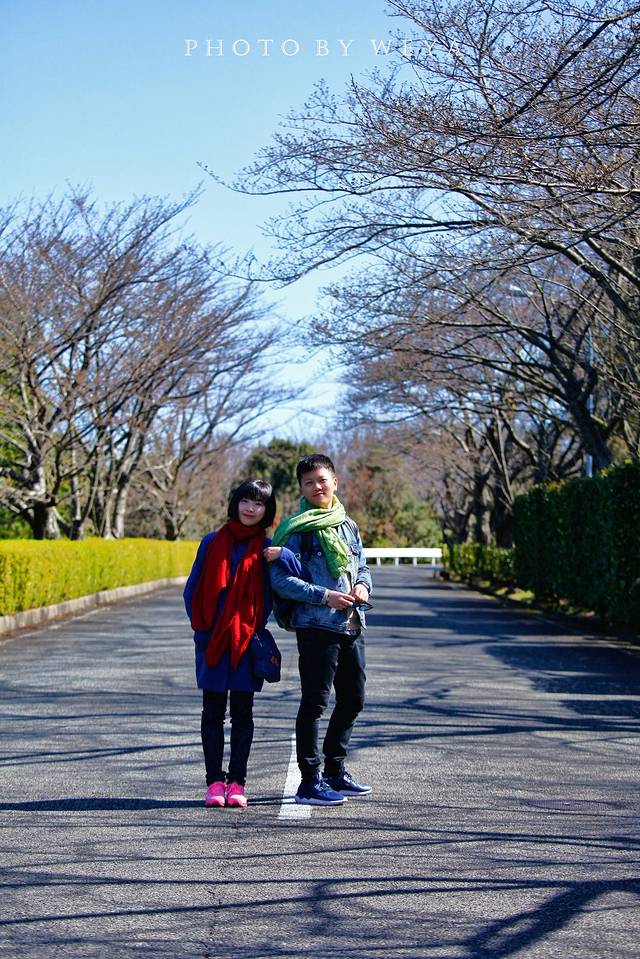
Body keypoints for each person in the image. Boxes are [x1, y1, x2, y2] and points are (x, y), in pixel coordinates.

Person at [184, 478, 298, 809]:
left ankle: (237, 782)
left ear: (267, 510)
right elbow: (192, 590)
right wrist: (203, 630)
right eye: (245, 501)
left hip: (246, 641)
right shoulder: (211, 541)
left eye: (258, 503)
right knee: (212, 713)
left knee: (243, 714)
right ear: (235, 503)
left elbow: (298, 576)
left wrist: (285, 555)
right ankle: (213, 783)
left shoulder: (267, 549)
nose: (250, 508)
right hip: (212, 642)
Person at [269, 453, 373, 806]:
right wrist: (324, 596)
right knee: (315, 702)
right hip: (316, 626)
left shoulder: (348, 525)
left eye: (322, 480)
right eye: (308, 482)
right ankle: (310, 780)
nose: (317, 487)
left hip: (352, 623)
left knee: (353, 699)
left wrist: (363, 586)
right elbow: (280, 580)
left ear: (335, 482)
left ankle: (334, 771)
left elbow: (362, 566)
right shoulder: (297, 530)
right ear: (301, 488)